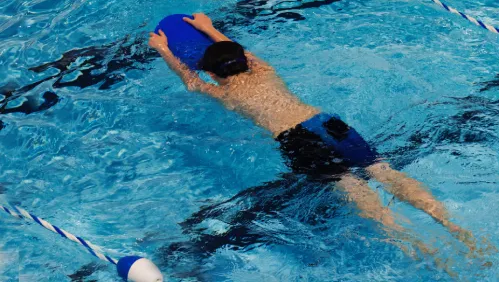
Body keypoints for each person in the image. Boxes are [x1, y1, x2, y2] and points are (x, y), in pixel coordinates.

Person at [148, 13, 477, 258]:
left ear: (212, 73)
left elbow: (190, 80)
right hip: (327, 122)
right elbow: (240, 52)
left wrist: (164, 49)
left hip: (298, 140)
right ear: (244, 62)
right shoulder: (265, 71)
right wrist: (208, 28)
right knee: (383, 171)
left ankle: (421, 248)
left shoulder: (227, 95)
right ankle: (454, 227)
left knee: (351, 187)